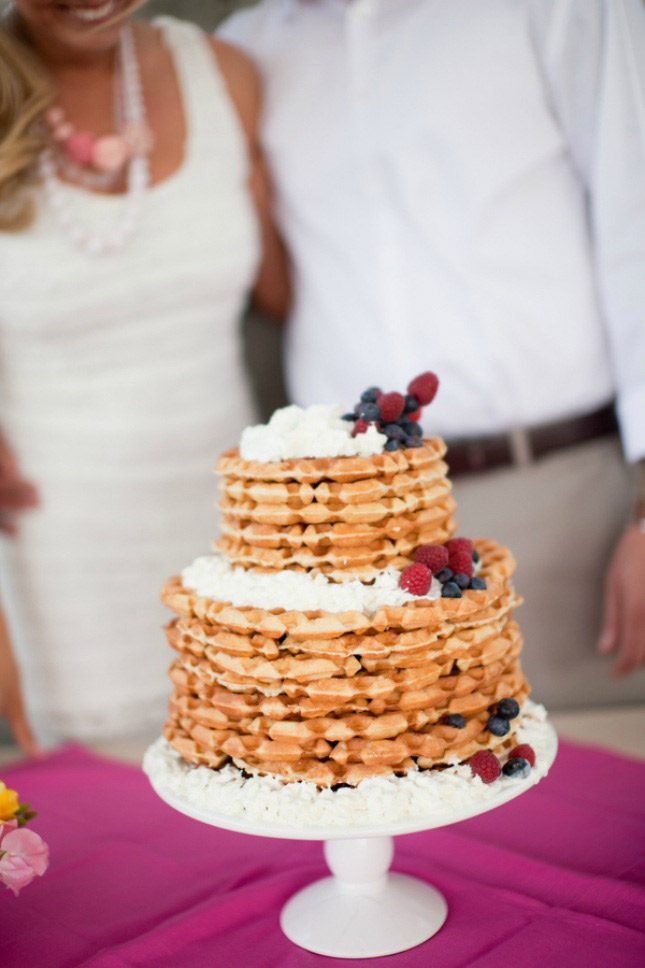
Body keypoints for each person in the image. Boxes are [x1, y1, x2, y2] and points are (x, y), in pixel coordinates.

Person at [219, 0, 645, 706]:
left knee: (590, 788)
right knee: (385, 799)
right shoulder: (245, 51)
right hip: (351, 529)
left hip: (561, 501)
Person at [0, 0, 289, 753]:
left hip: (232, 529)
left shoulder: (223, 75)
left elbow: (289, 291)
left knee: (253, 785)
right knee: (104, 824)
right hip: (55, 546)